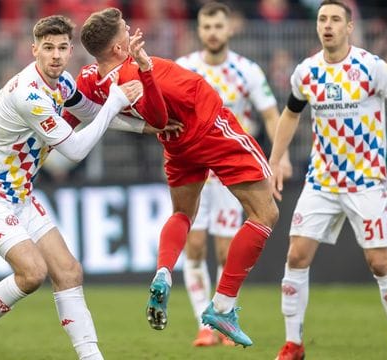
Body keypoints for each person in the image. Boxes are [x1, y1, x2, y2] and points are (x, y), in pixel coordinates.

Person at [0, 15, 151, 360]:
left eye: (61, 48)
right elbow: (74, 150)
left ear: (70, 50)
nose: (55, 55)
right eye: (47, 48)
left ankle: (91, 357)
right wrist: (116, 101)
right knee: (32, 274)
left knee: (69, 271)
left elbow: (89, 113)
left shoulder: (63, 83)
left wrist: (149, 128)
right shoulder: (29, 94)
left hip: (19, 196)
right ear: (34, 50)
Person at [76, 7, 279, 347]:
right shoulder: (132, 74)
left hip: (177, 144)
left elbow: (83, 110)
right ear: (116, 48)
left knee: (183, 214)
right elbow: (156, 115)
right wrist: (145, 68)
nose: (131, 31)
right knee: (266, 213)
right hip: (210, 128)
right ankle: (223, 306)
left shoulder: (89, 77)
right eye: (125, 29)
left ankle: (164, 271)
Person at [268, 1, 387, 359]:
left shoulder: (370, 67)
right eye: (323, 19)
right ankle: (294, 344)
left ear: (349, 27)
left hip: (366, 180)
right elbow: (290, 113)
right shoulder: (306, 72)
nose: (328, 25)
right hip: (321, 181)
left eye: (336, 19)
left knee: (380, 263)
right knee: (296, 256)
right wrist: (276, 158)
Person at [174, 1, 292, 347]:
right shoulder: (185, 68)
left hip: (230, 172)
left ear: (229, 29)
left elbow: (271, 115)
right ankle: (204, 325)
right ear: (199, 30)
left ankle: (224, 314)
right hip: (195, 170)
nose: (212, 32)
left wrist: (279, 157)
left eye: (218, 26)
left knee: (228, 251)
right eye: (206, 26)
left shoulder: (247, 71)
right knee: (194, 246)